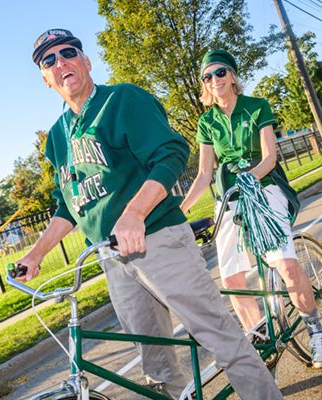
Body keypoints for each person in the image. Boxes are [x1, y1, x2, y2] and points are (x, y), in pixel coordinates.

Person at [15, 29, 284, 400]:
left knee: (221, 339)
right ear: (45, 78)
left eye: (68, 53)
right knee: (155, 365)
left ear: (86, 61)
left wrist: (134, 213)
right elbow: (69, 205)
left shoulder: (123, 100)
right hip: (111, 256)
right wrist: (36, 253)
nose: (61, 62)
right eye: (49, 61)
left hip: (157, 239)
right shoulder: (58, 137)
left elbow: (171, 153)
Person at [181, 49, 322, 369]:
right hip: (228, 201)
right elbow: (204, 174)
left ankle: (315, 330)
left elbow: (270, 157)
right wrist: (182, 209)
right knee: (233, 280)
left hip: (264, 189)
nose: (214, 80)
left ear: (231, 76)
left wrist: (248, 180)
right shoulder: (207, 122)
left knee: (286, 267)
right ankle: (260, 339)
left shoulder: (256, 107)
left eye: (220, 73)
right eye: (207, 76)